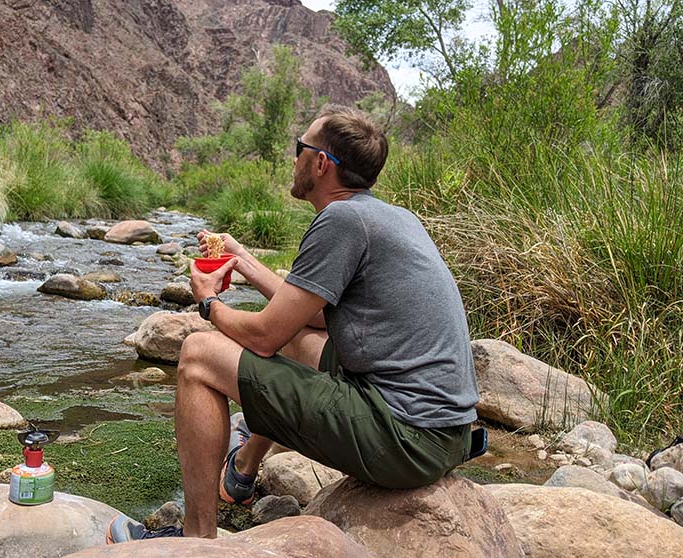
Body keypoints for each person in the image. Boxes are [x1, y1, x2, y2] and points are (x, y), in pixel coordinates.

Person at [107, 105, 480, 543]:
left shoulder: (340, 221)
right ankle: (242, 472)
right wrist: (244, 261)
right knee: (300, 341)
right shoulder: (389, 216)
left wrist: (207, 303)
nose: (295, 157)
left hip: (404, 439)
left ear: (320, 164)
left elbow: (265, 337)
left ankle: (197, 539)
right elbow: (315, 316)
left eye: (300, 148)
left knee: (196, 356)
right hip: (447, 433)